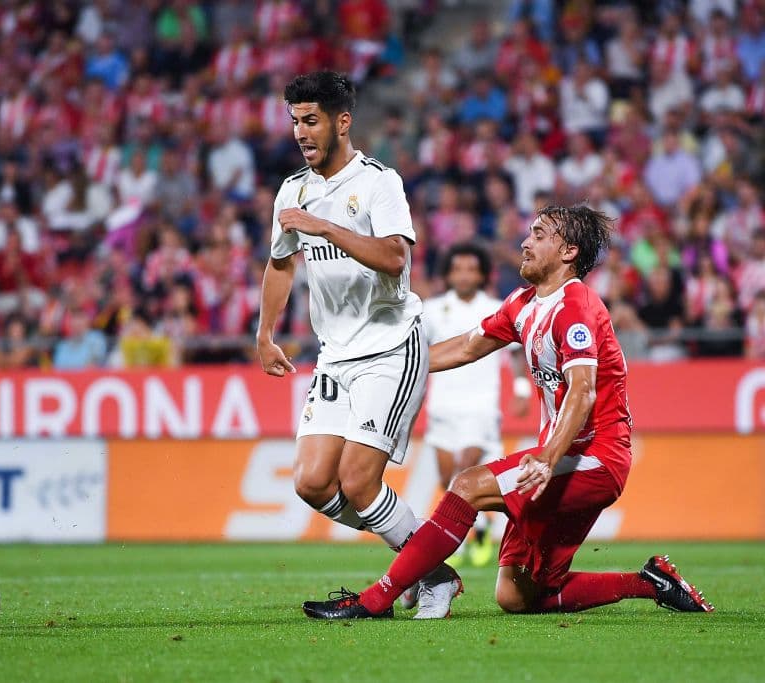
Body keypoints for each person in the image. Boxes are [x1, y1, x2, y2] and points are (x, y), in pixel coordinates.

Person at [303, 205, 714, 619]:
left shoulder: (577, 308)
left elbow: (583, 391)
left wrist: (548, 457)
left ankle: (375, 600)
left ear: (568, 251)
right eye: (529, 233)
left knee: (467, 485)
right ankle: (649, 582)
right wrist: (389, 363)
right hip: (561, 457)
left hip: (595, 457)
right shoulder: (523, 304)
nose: (525, 242)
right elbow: (466, 348)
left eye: (539, 235)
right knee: (516, 595)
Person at [256, 71, 427, 555]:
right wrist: (264, 334)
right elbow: (281, 263)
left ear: (342, 122)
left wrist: (325, 227)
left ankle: (429, 572)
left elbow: (395, 257)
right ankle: (422, 549)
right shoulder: (292, 191)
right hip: (335, 354)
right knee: (312, 482)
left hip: (389, 346)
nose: (300, 132)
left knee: (357, 481)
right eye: (295, 121)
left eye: (311, 121)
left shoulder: (378, 182)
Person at [415, 243, 531, 574]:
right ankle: (478, 529)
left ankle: (452, 541)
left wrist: (522, 389)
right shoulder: (432, 310)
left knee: (463, 469)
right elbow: (419, 351)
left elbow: (516, 353)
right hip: (442, 407)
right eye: (457, 269)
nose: (464, 275)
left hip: (480, 406)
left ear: (481, 274)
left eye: (470, 269)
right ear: (448, 274)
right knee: (446, 478)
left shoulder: (495, 308)